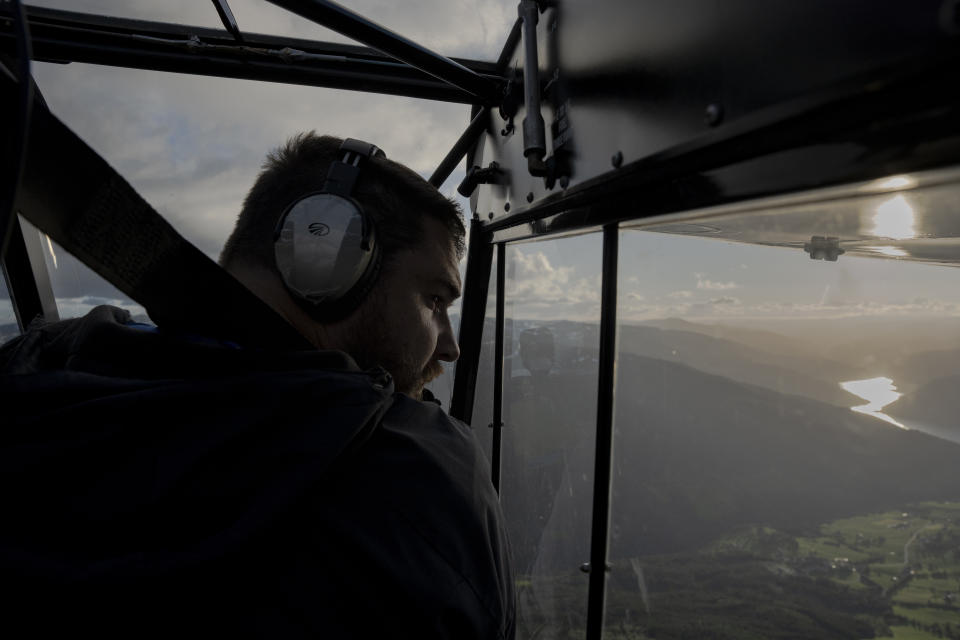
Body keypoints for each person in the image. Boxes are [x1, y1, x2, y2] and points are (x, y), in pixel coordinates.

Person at [0, 133, 515, 639]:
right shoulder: (423, 482)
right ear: (329, 259)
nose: (449, 347)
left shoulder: (36, 375)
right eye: (434, 301)